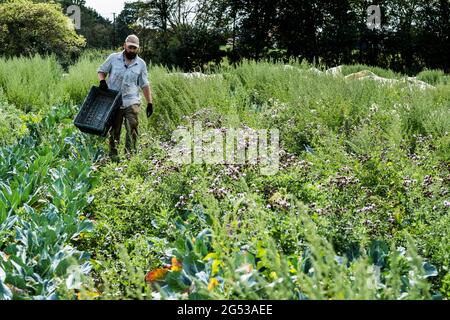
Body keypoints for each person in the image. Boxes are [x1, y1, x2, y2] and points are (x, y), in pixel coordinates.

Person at [97, 34, 153, 160]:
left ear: (137, 48)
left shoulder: (141, 64)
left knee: (132, 127)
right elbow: (101, 71)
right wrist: (102, 81)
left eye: (134, 48)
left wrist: (150, 103)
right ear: (124, 45)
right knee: (114, 130)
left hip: (132, 101)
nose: (132, 50)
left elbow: (144, 84)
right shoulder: (113, 58)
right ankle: (113, 157)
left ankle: (130, 156)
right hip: (114, 101)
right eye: (130, 47)